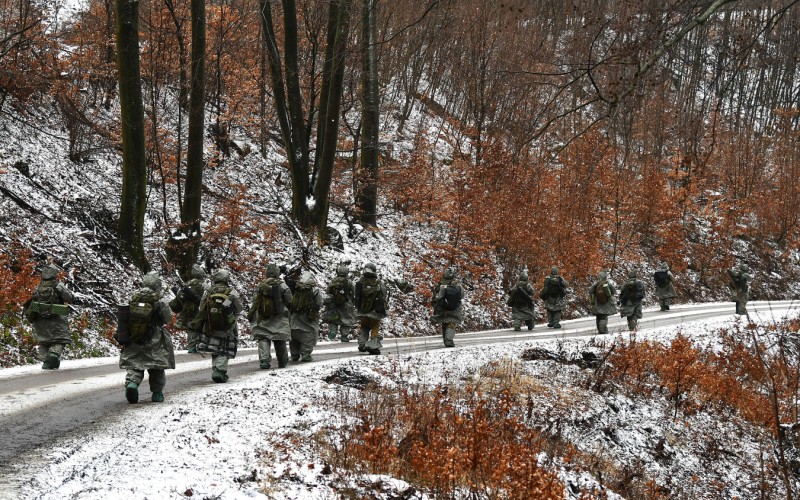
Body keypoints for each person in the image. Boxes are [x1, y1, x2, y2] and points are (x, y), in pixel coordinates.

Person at [118, 272, 175, 403]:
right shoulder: (159, 300)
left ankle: (132, 384)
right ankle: (157, 393)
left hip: (134, 337)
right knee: (156, 366)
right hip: (154, 339)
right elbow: (167, 318)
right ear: (157, 284)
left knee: (135, 364)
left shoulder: (134, 297)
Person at [193, 269, 243, 383]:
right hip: (227, 325)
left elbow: (201, 308)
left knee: (214, 346)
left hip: (210, 324)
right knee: (224, 349)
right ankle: (219, 371)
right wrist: (227, 307)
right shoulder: (231, 292)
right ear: (226, 279)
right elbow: (239, 308)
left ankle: (216, 368)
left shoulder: (209, 291)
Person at [23, 264, 72, 369]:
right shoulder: (59, 285)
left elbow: (33, 300)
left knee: (44, 341)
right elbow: (69, 297)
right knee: (60, 340)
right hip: (57, 319)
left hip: (40, 319)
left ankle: (45, 361)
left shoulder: (38, 287)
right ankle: (54, 355)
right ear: (55, 274)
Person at [248, 263, 293, 369]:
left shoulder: (260, 285)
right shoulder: (283, 285)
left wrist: (251, 314)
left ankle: (264, 361)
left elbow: (255, 300)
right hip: (279, 316)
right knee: (279, 338)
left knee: (263, 338)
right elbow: (289, 300)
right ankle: (282, 361)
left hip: (263, 316)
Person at [168, 264, 208, 353]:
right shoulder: (204, 285)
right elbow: (208, 296)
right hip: (200, 309)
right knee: (202, 326)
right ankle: (202, 344)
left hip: (187, 310)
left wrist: (185, 304)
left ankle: (192, 347)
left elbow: (179, 295)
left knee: (191, 327)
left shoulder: (187, 284)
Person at [289, 271, 323, 362]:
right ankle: (305, 354)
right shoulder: (315, 289)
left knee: (294, 334)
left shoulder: (295, 287)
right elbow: (319, 302)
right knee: (309, 333)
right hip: (308, 316)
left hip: (295, 315)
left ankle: (294, 354)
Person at [354, 262, 388, 354]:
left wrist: (358, 308)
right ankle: (373, 346)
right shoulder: (378, 283)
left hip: (362, 311)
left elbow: (356, 296)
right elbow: (384, 295)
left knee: (364, 326)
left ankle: (362, 344)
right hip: (375, 312)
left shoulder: (359, 282)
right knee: (374, 327)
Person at [322, 264, 357, 342]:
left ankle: (333, 331)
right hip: (346, 304)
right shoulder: (349, 282)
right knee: (346, 320)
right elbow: (355, 291)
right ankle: (344, 336)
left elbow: (327, 292)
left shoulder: (333, 281)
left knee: (333, 319)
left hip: (334, 304)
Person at [431, 266, 464, 347]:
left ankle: (446, 340)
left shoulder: (441, 283)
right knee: (451, 323)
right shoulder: (457, 284)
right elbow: (462, 295)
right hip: (455, 308)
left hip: (442, 307)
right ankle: (448, 340)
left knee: (444, 323)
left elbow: (437, 296)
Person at [589, 270, 617, 335]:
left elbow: (590, 291)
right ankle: (602, 329)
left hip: (597, 303)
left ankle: (600, 330)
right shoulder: (607, 284)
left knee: (598, 317)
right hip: (606, 303)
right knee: (604, 316)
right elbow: (614, 291)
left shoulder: (596, 284)